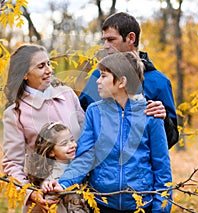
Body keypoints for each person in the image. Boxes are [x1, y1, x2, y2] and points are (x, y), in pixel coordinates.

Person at [43, 52, 172, 212]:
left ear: (121, 82)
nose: (97, 80)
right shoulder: (95, 112)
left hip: (141, 205)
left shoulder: (151, 116)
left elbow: (162, 168)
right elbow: (86, 157)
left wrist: (161, 209)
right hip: (101, 204)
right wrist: (63, 183)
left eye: (103, 76)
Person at [2, 44, 85, 212]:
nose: (49, 70)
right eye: (41, 66)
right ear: (25, 74)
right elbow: (12, 164)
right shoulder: (15, 113)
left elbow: (88, 138)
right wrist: (31, 193)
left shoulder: (68, 95)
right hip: (47, 198)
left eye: (48, 64)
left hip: (83, 193)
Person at [79, 12, 178, 149]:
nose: (105, 46)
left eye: (111, 39)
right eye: (104, 40)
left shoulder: (159, 82)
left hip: (140, 167)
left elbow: (171, 139)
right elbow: (80, 121)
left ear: (131, 38)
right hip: (102, 167)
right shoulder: (98, 77)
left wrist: (164, 118)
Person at [27, 122, 89, 213]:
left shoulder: (79, 165)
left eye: (72, 140)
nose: (72, 145)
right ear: (51, 152)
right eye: (64, 143)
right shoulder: (52, 181)